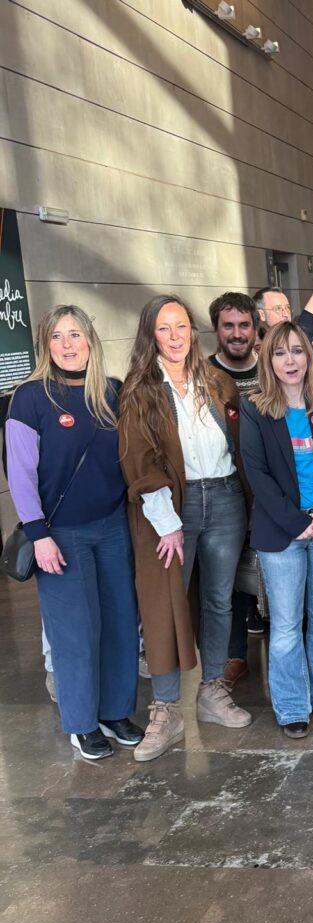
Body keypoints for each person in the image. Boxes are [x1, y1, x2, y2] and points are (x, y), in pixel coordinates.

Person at [119, 295, 252, 762]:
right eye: (164, 328)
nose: (175, 337)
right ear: (150, 335)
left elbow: (240, 442)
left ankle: (212, 689)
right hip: (173, 507)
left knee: (219, 600)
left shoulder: (216, 382)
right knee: (165, 606)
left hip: (226, 499)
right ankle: (167, 708)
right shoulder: (140, 390)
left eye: (181, 326)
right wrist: (167, 522)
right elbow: (139, 459)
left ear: (193, 332)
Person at [6, 306, 142, 760]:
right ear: (45, 345)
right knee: (76, 634)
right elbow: (21, 474)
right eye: (57, 336)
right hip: (60, 535)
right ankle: (82, 723)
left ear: (90, 341)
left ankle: (115, 712)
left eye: (75, 335)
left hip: (113, 528)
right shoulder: (29, 398)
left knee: (120, 625)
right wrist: (38, 533)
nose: (67, 345)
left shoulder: (112, 391)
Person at [240, 321, 313, 739]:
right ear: (269, 360)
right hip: (282, 533)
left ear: (309, 355)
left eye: (297, 351)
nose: (290, 360)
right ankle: (291, 706)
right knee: (286, 624)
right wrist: (297, 521)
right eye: (280, 352)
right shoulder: (254, 408)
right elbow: (257, 474)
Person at [208, 291, 263, 686]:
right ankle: (234, 655)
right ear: (216, 329)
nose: (237, 333)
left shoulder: (273, 366)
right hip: (227, 491)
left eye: (244, 325)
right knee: (227, 578)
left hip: (273, 489)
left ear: (255, 328)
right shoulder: (204, 375)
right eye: (228, 326)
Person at [254, 271, 313, 387]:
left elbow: (306, 326)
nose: (285, 314)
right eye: (278, 309)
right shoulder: (253, 350)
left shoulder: (300, 339)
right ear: (261, 314)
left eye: (287, 308)